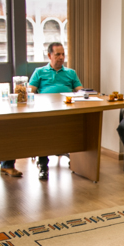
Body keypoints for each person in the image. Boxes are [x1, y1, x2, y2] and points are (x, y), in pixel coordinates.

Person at [28, 42, 83, 180]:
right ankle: (43, 165)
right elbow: (30, 92)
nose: (61, 57)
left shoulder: (71, 73)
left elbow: (80, 90)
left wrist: (86, 93)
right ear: (49, 55)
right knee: (43, 132)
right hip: (46, 111)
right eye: (57, 54)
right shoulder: (39, 72)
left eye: (63, 54)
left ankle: (77, 161)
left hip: (67, 110)